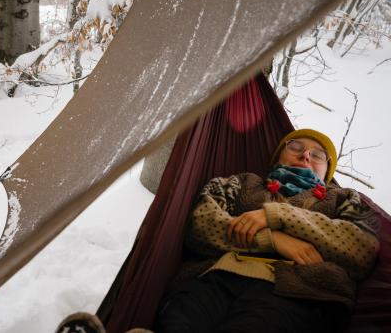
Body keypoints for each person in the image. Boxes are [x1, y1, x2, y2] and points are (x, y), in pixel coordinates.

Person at [153, 128, 380, 333]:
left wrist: (278, 215)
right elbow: (201, 223)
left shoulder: (342, 198)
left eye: (318, 154)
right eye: (295, 147)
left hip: (301, 293)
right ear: (278, 156)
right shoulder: (241, 183)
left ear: (328, 170)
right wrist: (271, 239)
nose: (305, 155)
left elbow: (361, 247)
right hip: (216, 278)